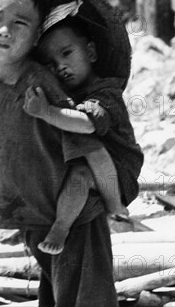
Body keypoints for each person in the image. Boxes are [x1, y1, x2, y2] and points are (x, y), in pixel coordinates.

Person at [0, 0, 118, 307]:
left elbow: (88, 147)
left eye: (20, 23)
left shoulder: (40, 87)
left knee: (87, 298)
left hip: (73, 220)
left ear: (36, 35)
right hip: (37, 219)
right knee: (55, 296)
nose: (5, 30)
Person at [24, 14, 144, 255]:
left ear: (90, 53)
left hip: (121, 171)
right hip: (86, 168)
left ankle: (114, 208)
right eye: (51, 63)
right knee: (77, 173)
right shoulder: (69, 98)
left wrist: (46, 111)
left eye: (66, 53)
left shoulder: (105, 93)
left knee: (88, 143)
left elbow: (88, 124)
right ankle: (52, 224)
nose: (60, 67)